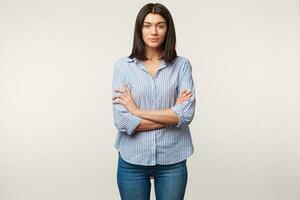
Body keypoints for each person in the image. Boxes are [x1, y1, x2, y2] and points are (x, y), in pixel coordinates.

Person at [111, 3, 196, 200]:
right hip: (132, 160)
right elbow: (122, 122)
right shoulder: (123, 67)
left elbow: (186, 114)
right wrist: (172, 114)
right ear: (139, 29)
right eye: (147, 25)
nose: (154, 31)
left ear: (168, 30)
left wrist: (137, 111)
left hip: (172, 159)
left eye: (160, 25)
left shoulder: (182, 66)